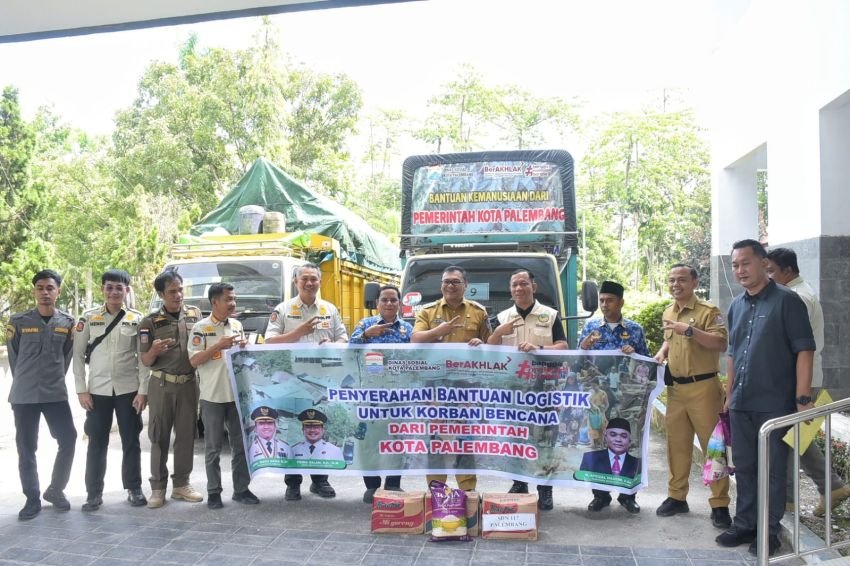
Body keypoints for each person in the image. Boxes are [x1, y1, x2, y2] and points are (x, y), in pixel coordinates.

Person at [715, 239, 815, 557]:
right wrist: (729, 395)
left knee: (771, 471)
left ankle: (768, 531)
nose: (740, 270)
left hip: (775, 403)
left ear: (763, 263)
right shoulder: (736, 306)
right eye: (735, 265)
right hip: (741, 402)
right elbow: (733, 355)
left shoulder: (787, 301)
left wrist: (802, 397)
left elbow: (804, 349)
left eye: (745, 263)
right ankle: (744, 523)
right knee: (744, 467)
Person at [766, 247, 850, 516]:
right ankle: (831, 487)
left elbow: (794, 346)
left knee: (787, 439)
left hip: (798, 380)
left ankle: (787, 503)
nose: (767, 277)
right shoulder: (798, 292)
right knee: (795, 437)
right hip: (800, 377)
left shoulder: (796, 298)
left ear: (788, 270)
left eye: (771, 271)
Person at [653, 264, 731, 528]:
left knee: (713, 447)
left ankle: (719, 503)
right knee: (677, 445)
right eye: (671, 280)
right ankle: (677, 496)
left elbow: (720, 343)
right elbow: (670, 338)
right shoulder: (668, 311)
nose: (676, 284)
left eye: (682, 280)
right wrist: (662, 352)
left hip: (704, 388)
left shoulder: (708, 311)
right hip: (676, 390)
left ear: (695, 283)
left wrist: (689, 330)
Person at [264, 263, 348, 501]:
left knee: (319, 427)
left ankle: (320, 481)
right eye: (305, 279)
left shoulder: (329, 309)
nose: (310, 283)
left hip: (320, 382)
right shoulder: (283, 310)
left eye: (314, 279)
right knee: (293, 430)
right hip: (292, 381)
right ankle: (293, 483)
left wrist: (332, 345)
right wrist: (297, 333)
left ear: (320, 281)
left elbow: (343, 339)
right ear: (296, 282)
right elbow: (269, 341)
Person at [487, 269, 568, 510]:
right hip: (513, 390)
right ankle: (519, 483)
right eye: (514, 285)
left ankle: (545, 489)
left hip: (544, 388)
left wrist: (538, 348)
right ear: (510, 289)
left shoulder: (550, 315)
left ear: (534, 286)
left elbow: (563, 346)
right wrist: (498, 333)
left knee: (545, 439)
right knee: (515, 438)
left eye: (523, 283)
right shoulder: (502, 317)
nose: (519, 288)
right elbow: (490, 350)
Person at [73, 269, 148, 511]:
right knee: (97, 442)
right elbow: (77, 356)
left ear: (127, 290)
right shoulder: (88, 318)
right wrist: (81, 390)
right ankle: (93, 493)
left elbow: (142, 358)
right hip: (97, 391)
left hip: (129, 390)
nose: (114, 292)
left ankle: (134, 488)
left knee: (131, 441)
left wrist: (143, 390)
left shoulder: (137, 319)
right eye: (109, 287)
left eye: (119, 287)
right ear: (102, 289)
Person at [6, 269, 77, 521]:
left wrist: (52, 377)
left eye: (50, 288)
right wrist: (26, 379)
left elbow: (66, 356)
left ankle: (56, 490)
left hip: (55, 392)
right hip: (24, 395)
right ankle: (32, 498)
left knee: (68, 438)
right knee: (27, 447)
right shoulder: (18, 321)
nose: (45, 292)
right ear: (34, 291)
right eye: (40, 288)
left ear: (58, 291)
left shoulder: (67, 323)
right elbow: (14, 357)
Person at [412, 265, 490, 492]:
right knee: (436, 437)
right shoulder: (427, 312)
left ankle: (467, 489)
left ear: (466, 286)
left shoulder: (478, 312)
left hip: (466, 387)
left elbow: (492, 346)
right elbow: (415, 339)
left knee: (465, 436)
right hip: (434, 387)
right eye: (446, 281)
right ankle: (436, 488)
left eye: (456, 281)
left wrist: (481, 344)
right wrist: (438, 332)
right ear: (441, 285)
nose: (450, 285)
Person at [578, 280, 649, 514]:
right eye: (601, 300)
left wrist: (634, 353)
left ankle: (628, 495)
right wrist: (584, 346)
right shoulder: (591, 327)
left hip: (627, 399)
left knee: (628, 442)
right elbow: (578, 361)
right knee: (599, 442)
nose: (604, 305)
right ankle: (600, 494)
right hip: (600, 398)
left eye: (609, 300)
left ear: (621, 302)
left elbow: (646, 365)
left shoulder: (634, 330)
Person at [188, 283, 259, 510]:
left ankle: (241, 489)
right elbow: (194, 360)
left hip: (236, 396)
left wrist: (245, 347)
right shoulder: (201, 327)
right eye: (228, 299)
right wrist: (217, 346)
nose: (233, 303)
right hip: (212, 397)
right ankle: (214, 492)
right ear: (214, 302)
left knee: (240, 446)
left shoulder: (237, 325)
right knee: (213, 448)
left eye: (234, 299)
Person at [139, 270, 204, 509]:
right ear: (161, 294)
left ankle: (181, 485)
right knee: (159, 436)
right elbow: (145, 360)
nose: (178, 295)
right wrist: (154, 351)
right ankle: (158, 488)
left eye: (180, 290)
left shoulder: (195, 314)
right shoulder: (149, 322)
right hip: (161, 384)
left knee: (186, 435)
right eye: (172, 291)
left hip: (188, 383)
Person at [350, 284, 412, 503]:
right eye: (384, 300)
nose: (389, 303)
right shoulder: (365, 324)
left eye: (393, 300)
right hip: (370, 394)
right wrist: (366, 335)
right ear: (377, 303)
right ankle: (372, 485)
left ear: (399, 303)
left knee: (396, 437)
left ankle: (393, 483)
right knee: (369, 440)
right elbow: (348, 350)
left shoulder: (407, 329)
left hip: (398, 394)